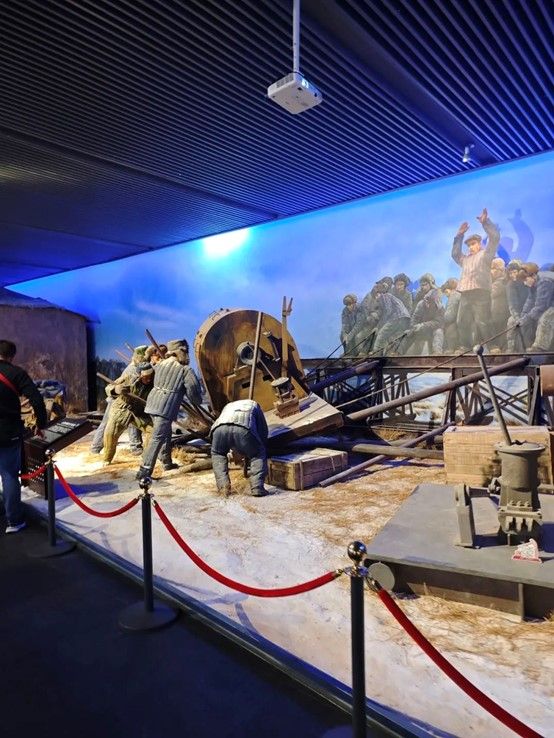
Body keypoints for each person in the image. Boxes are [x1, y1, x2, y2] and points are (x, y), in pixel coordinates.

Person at [136, 339, 202, 480]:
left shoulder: (160, 365)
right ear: (181, 352)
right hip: (165, 407)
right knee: (157, 438)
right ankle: (144, 470)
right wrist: (197, 400)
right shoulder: (185, 370)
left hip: (152, 404)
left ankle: (166, 463)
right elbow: (194, 393)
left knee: (165, 434)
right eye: (185, 351)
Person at [0, 339, 48, 533]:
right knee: (9, 475)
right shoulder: (16, 373)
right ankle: (14, 521)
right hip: (8, 432)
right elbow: (36, 399)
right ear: (12, 356)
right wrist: (41, 424)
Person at [451, 207, 500, 350]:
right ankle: (465, 347)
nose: (471, 247)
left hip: (481, 292)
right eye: (469, 245)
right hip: (466, 293)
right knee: (462, 321)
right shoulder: (465, 259)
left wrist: (486, 222)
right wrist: (459, 236)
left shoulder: (485, 255)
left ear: (479, 244)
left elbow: (495, 238)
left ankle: (493, 346)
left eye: (473, 244)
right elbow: (455, 254)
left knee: (483, 321)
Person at [90, 345, 148, 454]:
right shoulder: (132, 370)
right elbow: (116, 387)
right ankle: (96, 447)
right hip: (117, 401)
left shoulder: (136, 367)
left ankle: (135, 447)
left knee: (131, 421)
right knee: (108, 423)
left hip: (126, 400)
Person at [209, 399, 269, 497]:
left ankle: (224, 488)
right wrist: (260, 445)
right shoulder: (254, 405)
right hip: (243, 427)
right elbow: (263, 431)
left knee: (218, 454)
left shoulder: (228, 406)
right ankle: (257, 488)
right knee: (258, 454)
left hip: (219, 429)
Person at [102, 363, 155, 465]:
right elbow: (108, 388)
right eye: (145, 377)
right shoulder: (128, 378)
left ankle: (146, 458)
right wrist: (116, 390)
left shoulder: (153, 383)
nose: (148, 379)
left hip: (138, 412)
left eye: (150, 376)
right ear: (139, 374)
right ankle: (107, 459)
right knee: (110, 434)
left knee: (153, 431)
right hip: (121, 410)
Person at [519, 263, 554, 351]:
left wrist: (526, 319)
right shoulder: (535, 283)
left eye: (525, 280)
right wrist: (522, 317)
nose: (525, 283)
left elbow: (541, 306)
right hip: (550, 304)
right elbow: (530, 301)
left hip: (551, 306)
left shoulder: (544, 281)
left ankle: (540, 348)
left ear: (532, 275)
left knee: (546, 316)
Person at [489, 257, 509, 352]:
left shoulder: (500, 282)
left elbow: (490, 294)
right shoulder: (499, 281)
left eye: (493, 268)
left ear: (500, 270)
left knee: (499, 337)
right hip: (497, 315)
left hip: (499, 315)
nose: (490, 271)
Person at [440, 278, 460, 353]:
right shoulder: (459, 294)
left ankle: (451, 348)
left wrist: (440, 321)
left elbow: (450, 316)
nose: (446, 295)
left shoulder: (454, 296)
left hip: (456, 328)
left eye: (446, 292)